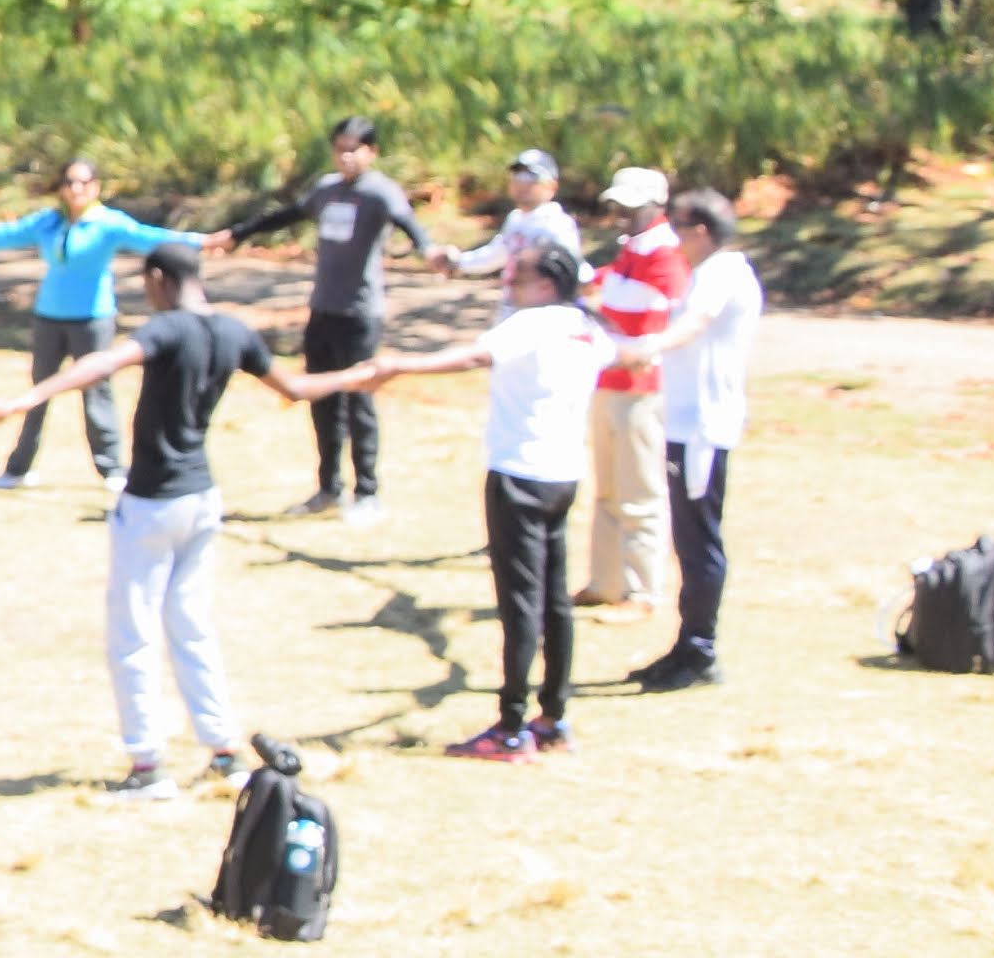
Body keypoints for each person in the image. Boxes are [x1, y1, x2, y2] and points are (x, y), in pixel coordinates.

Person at [0, 243, 325, 799]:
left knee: (133, 633)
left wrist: (32, 397)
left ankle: (147, 764)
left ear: (158, 278)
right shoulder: (234, 331)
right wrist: (369, 375)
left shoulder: (166, 329)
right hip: (203, 497)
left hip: (153, 501)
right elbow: (296, 389)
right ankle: (224, 750)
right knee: (191, 624)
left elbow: (103, 362)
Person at [307, 239, 609, 759]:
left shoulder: (531, 323)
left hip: (519, 476)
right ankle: (552, 717)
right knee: (554, 602)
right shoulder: (586, 329)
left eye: (518, 275)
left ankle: (510, 727)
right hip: (562, 476)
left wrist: (400, 365)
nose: (508, 282)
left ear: (546, 284)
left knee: (521, 604)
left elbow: (473, 356)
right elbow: (629, 354)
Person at [0, 158, 219, 492]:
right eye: (69, 182)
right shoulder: (49, 222)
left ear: (95, 187)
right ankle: (18, 467)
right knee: (38, 391)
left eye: (83, 183)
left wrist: (203, 242)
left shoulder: (108, 223)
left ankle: (111, 468)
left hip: (93, 318)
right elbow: (1, 234)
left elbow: (151, 238)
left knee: (96, 391)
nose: (76, 189)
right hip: (49, 316)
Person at [231, 116, 430, 520]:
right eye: (340, 149)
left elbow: (408, 223)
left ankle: (367, 491)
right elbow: (289, 215)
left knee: (359, 400)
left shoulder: (380, 192)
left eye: (355, 149)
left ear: (372, 152)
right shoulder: (326, 189)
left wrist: (428, 249)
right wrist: (240, 233)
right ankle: (328, 488)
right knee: (321, 398)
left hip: (359, 313)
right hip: (323, 309)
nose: (347, 157)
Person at [628, 187, 764, 691]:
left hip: (702, 428)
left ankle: (700, 651)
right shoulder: (707, 272)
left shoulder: (722, 273)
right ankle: (687, 646)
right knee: (686, 541)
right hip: (686, 425)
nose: (674, 238)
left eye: (679, 228)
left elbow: (695, 324)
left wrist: (647, 348)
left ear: (702, 232)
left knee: (699, 542)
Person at [581, 166, 682, 615]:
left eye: (632, 206)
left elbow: (657, 319)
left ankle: (642, 591)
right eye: (618, 205)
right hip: (608, 381)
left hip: (640, 388)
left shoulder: (664, 253)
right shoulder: (630, 250)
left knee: (639, 492)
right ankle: (605, 582)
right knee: (607, 488)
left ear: (656, 206)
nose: (622, 214)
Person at [437, 146, 585, 283]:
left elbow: (572, 268)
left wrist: (584, 280)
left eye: (530, 178)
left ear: (551, 186)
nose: (522, 184)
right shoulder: (516, 219)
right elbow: (496, 254)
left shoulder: (557, 223)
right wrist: (456, 261)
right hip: (515, 301)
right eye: (517, 176)